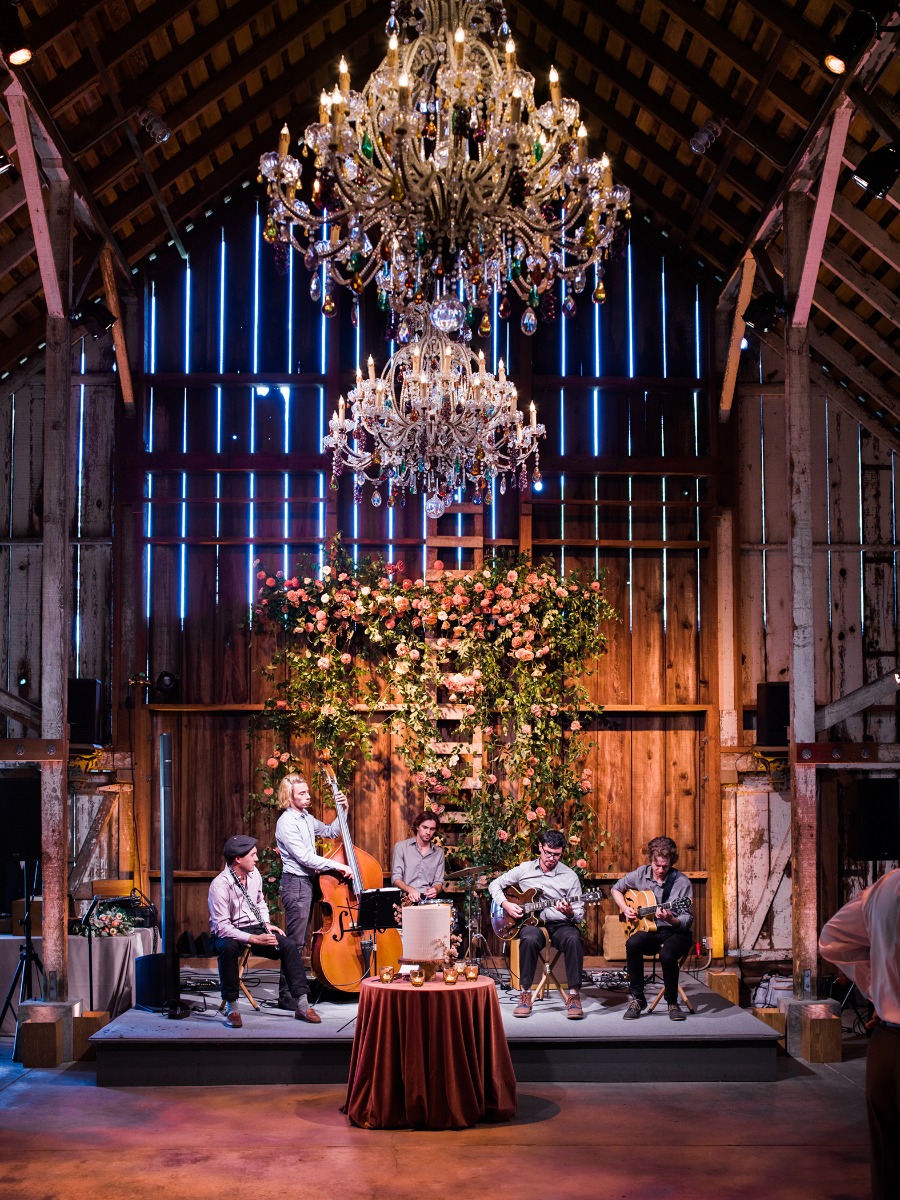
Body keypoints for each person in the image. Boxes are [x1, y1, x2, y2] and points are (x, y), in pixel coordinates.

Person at [819, 868, 900, 1200]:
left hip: (890, 1045)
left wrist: (877, 990)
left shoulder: (889, 884)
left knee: (889, 1168)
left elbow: (832, 940)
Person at [208, 834, 310, 1027]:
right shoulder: (220, 885)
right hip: (227, 932)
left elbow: (260, 902)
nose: (256, 859)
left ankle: (302, 1005)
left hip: (253, 927)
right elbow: (222, 927)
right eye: (253, 855)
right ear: (238, 859)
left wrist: (265, 924)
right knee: (227, 948)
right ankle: (233, 1007)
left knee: (288, 944)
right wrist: (255, 939)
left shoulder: (254, 875)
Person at [274, 772, 354, 1014]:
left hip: (306, 883)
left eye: (308, 792)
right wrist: (339, 865)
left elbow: (331, 832)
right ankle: (287, 996)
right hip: (295, 883)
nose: (308, 796)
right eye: (302, 793)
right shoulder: (287, 823)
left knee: (299, 943)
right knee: (295, 944)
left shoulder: (306, 818)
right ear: (289, 797)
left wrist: (344, 809)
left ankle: (291, 992)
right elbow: (305, 858)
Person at [489, 828, 586, 1020]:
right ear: (540, 847)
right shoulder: (524, 869)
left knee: (574, 938)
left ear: (562, 853)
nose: (551, 858)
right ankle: (525, 993)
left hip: (559, 924)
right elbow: (495, 884)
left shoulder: (569, 876)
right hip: (531, 922)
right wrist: (506, 904)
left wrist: (569, 912)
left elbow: (579, 913)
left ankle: (574, 995)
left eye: (556, 855)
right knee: (529, 938)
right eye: (547, 852)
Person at [611, 835, 693, 1021]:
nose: (661, 870)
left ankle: (672, 1002)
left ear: (672, 862)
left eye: (665, 866)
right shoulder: (641, 874)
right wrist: (625, 908)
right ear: (651, 860)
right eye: (657, 866)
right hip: (651, 930)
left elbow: (687, 919)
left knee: (667, 954)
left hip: (675, 932)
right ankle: (638, 999)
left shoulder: (682, 882)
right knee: (633, 943)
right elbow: (616, 889)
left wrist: (671, 919)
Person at [391, 811, 445, 903]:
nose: (428, 832)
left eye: (432, 829)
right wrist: (410, 890)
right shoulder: (401, 847)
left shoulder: (439, 853)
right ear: (417, 827)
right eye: (425, 827)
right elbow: (396, 879)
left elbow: (439, 882)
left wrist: (435, 889)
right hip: (405, 897)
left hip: (427, 899)